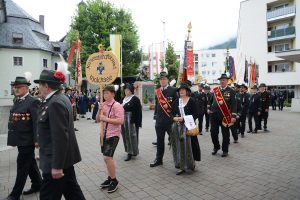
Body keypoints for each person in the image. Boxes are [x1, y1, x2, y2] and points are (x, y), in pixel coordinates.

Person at [34, 69, 85, 200]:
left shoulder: (55, 102)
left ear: (46, 86)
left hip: (55, 161)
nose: (38, 87)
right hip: (65, 159)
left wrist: (57, 166)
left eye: (40, 84)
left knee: (47, 196)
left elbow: (60, 136)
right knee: (73, 193)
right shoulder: (60, 98)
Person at [5, 75, 42, 200]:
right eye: (15, 87)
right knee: (30, 163)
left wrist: (37, 140)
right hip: (20, 139)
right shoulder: (18, 100)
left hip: (27, 140)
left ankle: (15, 195)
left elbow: (36, 122)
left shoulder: (33, 101)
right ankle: (38, 184)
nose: (16, 89)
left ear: (26, 88)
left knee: (22, 165)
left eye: (19, 87)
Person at [97, 85, 124, 193]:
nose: (105, 95)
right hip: (103, 134)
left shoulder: (117, 106)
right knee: (106, 158)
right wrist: (99, 111)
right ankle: (109, 178)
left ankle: (114, 180)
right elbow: (98, 120)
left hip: (113, 134)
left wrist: (106, 118)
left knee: (107, 158)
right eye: (104, 93)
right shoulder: (103, 105)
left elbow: (121, 121)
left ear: (113, 94)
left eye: (107, 93)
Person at [171, 83, 201, 175]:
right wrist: (174, 118)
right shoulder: (176, 101)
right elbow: (171, 113)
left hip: (188, 127)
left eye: (183, 89)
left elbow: (196, 113)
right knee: (179, 146)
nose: (181, 91)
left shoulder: (191, 101)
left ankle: (191, 164)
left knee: (190, 146)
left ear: (187, 91)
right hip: (177, 127)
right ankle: (181, 166)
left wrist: (184, 118)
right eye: (180, 90)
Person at [150, 71, 177, 167]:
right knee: (160, 141)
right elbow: (157, 105)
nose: (162, 80)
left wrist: (175, 117)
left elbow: (176, 105)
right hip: (160, 121)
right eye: (161, 79)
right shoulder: (158, 91)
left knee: (174, 141)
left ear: (167, 80)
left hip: (170, 120)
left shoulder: (173, 90)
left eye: (164, 79)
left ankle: (178, 160)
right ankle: (159, 159)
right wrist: (155, 117)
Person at [208, 73, 237, 157]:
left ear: (227, 81)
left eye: (224, 80)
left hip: (225, 116)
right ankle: (216, 147)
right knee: (213, 132)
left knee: (225, 134)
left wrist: (234, 116)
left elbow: (234, 104)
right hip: (214, 115)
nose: (222, 81)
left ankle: (225, 150)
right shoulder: (215, 90)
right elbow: (210, 101)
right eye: (221, 80)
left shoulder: (231, 91)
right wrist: (208, 108)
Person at [120, 83, 142, 161]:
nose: (126, 91)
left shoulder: (135, 99)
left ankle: (133, 151)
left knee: (132, 136)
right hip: (123, 120)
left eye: (128, 90)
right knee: (125, 136)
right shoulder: (122, 98)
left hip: (132, 120)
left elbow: (139, 111)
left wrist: (138, 123)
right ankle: (128, 151)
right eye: (125, 90)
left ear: (131, 91)